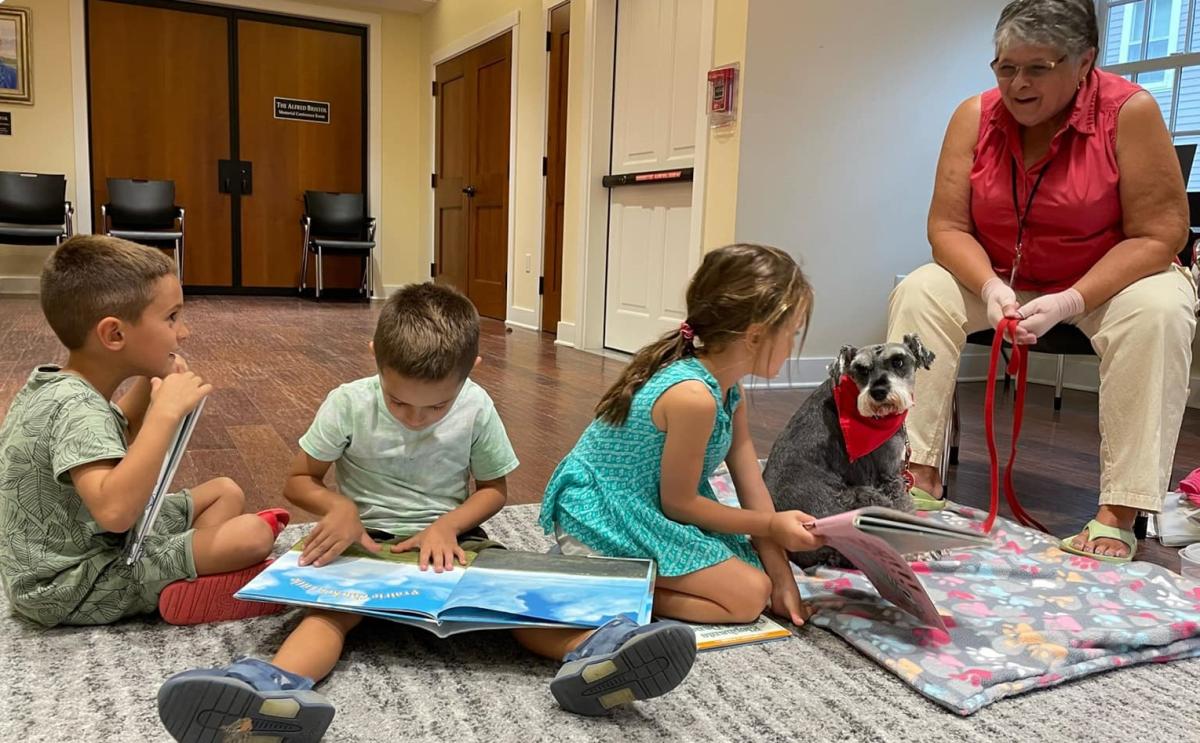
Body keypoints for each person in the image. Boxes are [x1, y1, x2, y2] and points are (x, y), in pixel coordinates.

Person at [888, 0, 1197, 562]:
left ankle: (1119, 512)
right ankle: (916, 474)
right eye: (1006, 67)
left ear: (1085, 63)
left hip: (1109, 282)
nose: (1017, 84)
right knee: (921, 288)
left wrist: (1073, 298)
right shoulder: (972, 116)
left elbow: (1161, 235)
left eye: (1038, 68)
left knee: (1160, 309)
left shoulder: (1131, 112)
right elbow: (946, 227)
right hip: (1005, 279)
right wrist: (988, 286)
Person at [529, 243, 824, 693]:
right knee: (747, 596)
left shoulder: (727, 392)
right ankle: (606, 585)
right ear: (756, 334)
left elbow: (750, 483)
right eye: (793, 330)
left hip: (649, 507)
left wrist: (783, 576)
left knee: (761, 585)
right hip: (606, 513)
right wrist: (770, 526)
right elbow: (680, 503)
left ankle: (611, 582)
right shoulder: (693, 397)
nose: (795, 341)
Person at [0, 235, 283, 628]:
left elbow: (112, 432)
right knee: (252, 535)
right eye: (171, 317)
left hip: (80, 548)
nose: (183, 332)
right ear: (114, 335)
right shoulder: (76, 406)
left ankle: (185, 579)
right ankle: (184, 577)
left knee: (225, 491)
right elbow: (115, 512)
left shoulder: (59, 387)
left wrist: (152, 384)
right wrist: (164, 413)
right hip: (67, 585)